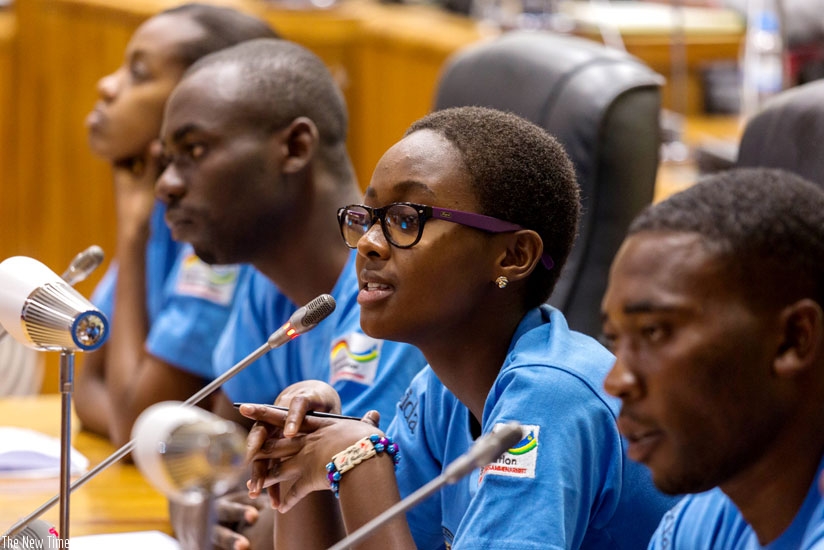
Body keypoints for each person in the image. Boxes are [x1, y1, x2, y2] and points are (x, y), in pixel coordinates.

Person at [238, 105, 679, 549]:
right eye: (368, 218)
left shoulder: (552, 396)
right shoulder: (439, 395)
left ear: (513, 256)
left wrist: (357, 457)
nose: (369, 244)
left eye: (406, 220)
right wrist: (310, 443)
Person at [154, 37, 428, 548]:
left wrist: (226, 506)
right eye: (167, 160)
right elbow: (216, 465)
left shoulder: (395, 300)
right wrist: (198, 500)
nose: (166, 185)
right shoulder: (266, 285)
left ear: (296, 147)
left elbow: (335, 524)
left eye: (194, 152)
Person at [74, 5, 279, 548]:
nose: (106, 85)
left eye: (139, 72)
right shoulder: (166, 212)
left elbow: (129, 420)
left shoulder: (219, 238)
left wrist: (133, 230)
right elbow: (88, 387)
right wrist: (137, 229)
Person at [599, 167, 824, 549]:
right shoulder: (703, 518)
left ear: (792, 340)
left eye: (655, 331)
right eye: (615, 339)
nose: (616, 381)